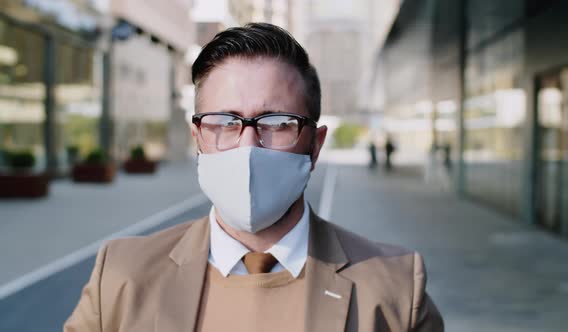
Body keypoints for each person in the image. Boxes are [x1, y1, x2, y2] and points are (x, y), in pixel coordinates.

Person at [64, 23, 443, 332]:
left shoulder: (394, 288)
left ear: (315, 145)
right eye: (225, 122)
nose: (248, 146)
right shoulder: (120, 277)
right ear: (198, 139)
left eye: (277, 123)